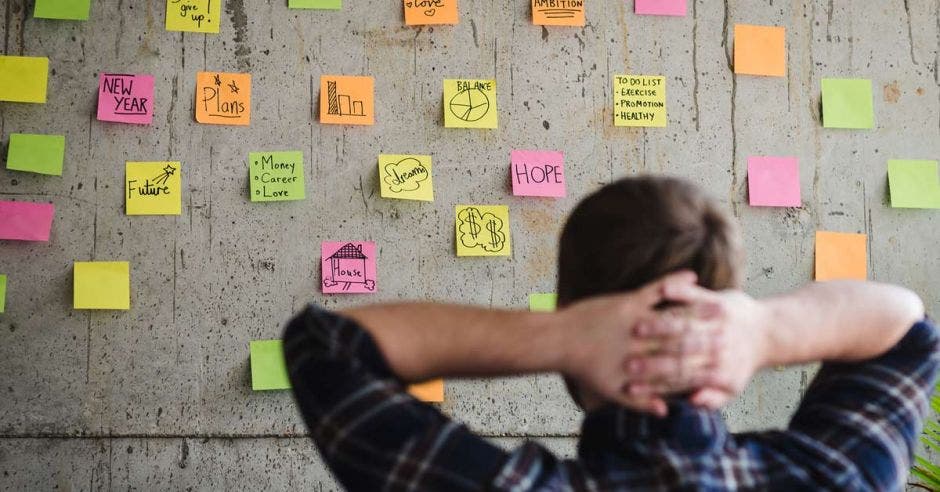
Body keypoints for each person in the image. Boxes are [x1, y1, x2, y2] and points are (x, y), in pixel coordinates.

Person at [283, 176, 938, 491]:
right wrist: (764, 331)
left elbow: (327, 344)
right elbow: (905, 330)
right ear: (725, 305)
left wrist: (561, 337)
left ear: (574, 310)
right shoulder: (833, 477)